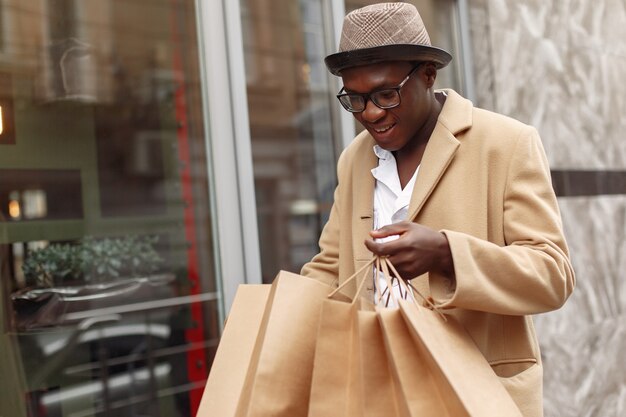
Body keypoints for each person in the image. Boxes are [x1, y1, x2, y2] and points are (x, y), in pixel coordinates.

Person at [300, 3, 575, 416]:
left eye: (386, 94)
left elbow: (552, 275)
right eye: (354, 99)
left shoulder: (506, 142)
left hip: (476, 396)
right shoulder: (354, 159)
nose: (371, 113)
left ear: (428, 74)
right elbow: (331, 267)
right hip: (376, 395)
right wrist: (273, 321)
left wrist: (447, 254)